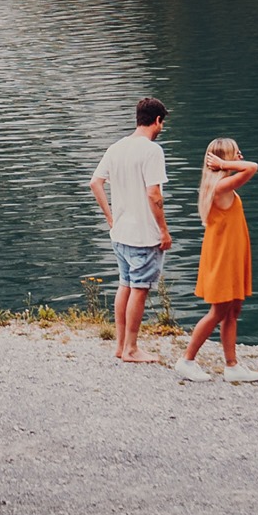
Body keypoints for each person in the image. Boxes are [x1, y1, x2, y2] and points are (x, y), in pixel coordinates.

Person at [89, 97, 171, 364]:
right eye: (162, 123)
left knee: (124, 284)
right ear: (157, 120)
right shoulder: (152, 151)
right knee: (139, 289)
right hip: (143, 235)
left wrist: (110, 217)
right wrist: (164, 230)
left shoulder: (116, 147)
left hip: (121, 233)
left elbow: (95, 183)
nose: (161, 128)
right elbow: (154, 194)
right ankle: (132, 349)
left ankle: (120, 345)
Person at [177, 138, 258, 382]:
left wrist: (225, 163)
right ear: (222, 159)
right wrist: (225, 164)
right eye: (236, 153)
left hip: (231, 253)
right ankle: (186, 360)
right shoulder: (221, 186)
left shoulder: (221, 185)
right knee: (218, 311)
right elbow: (252, 167)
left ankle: (232, 365)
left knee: (233, 310)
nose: (241, 156)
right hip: (223, 257)